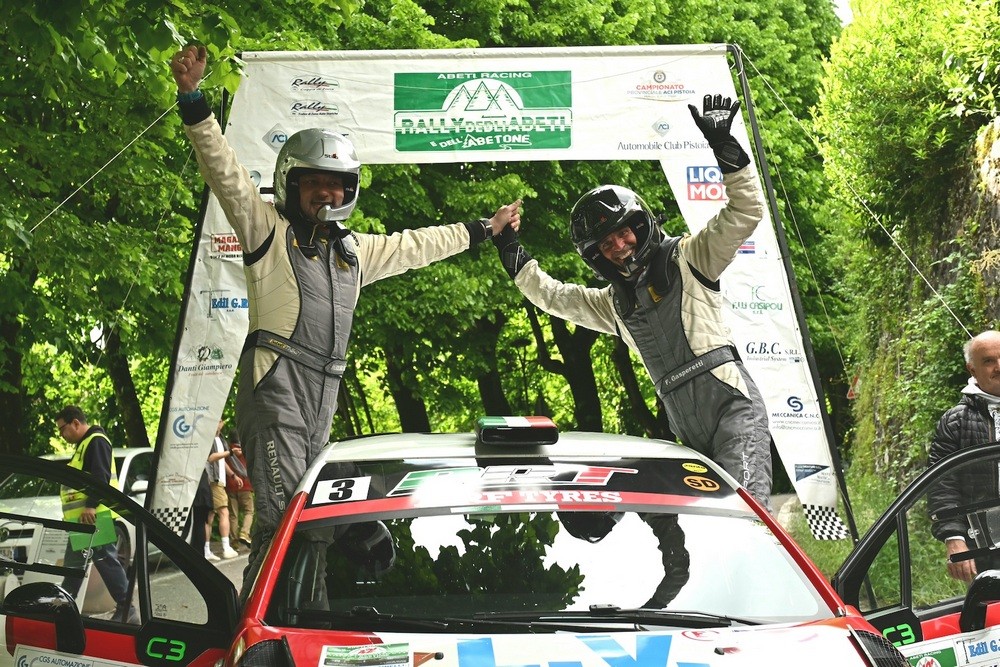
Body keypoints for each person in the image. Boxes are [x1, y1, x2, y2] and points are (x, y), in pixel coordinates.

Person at [170, 44, 519, 597]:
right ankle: (256, 632)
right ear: (293, 185)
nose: (327, 193)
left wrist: (483, 229)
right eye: (315, 184)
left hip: (323, 398)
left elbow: (416, 245)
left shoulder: (353, 253)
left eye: (336, 185)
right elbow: (226, 174)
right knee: (281, 525)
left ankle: (307, 618)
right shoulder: (267, 230)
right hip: (276, 389)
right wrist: (193, 100)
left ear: (350, 191)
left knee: (313, 525)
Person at [491, 94, 773, 508]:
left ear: (641, 226)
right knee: (709, 526)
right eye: (606, 244)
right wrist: (508, 246)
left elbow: (745, 211)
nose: (619, 246)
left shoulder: (691, 257)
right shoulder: (613, 303)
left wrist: (724, 146)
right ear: (597, 257)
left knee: (749, 516)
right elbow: (551, 295)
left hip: (733, 410)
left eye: (623, 233)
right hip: (684, 428)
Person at [55, 405, 139, 624]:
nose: (62, 435)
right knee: (74, 566)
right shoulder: (85, 444)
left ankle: (127, 608)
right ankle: (63, 607)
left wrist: (91, 506)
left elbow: (100, 477)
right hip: (84, 520)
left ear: (75, 423)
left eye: (62, 429)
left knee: (105, 561)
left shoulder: (96, 441)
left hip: (93, 517)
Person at [928, 330, 1000, 583]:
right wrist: (954, 537)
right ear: (972, 369)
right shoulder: (955, 421)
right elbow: (942, 485)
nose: (999, 367)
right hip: (985, 547)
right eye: (989, 361)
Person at [205, 419, 238, 561]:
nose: (218, 423)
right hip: (214, 481)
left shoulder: (220, 439)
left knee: (210, 516)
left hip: (218, 481)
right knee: (224, 512)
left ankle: (206, 550)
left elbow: (221, 461)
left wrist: (233, 475)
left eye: (219, 421)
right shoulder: (209, 439)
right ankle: (226, 548)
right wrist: (230, 452)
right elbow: (211, 458)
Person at [226, 431, 254, 550]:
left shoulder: (226, 450)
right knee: (249, 511)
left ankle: (234, 543)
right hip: (245, 485)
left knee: (233, 515)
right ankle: (244, 533)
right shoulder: (247, 448)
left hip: (230, 485)